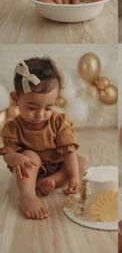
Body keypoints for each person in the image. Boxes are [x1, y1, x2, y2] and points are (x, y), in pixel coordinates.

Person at [0, 57, 88, 220]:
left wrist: (73, 176)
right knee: (30, 156)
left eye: (48, 107)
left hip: (56, 165)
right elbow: (7, 153)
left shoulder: (59, 121)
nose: (40, 115)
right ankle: (28, 195)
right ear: (15, 99)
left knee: (81, 161)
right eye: (32, 108)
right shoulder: (14, 127)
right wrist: (15, 158)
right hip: (31, 169)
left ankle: (51, 181)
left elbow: (68, 151)